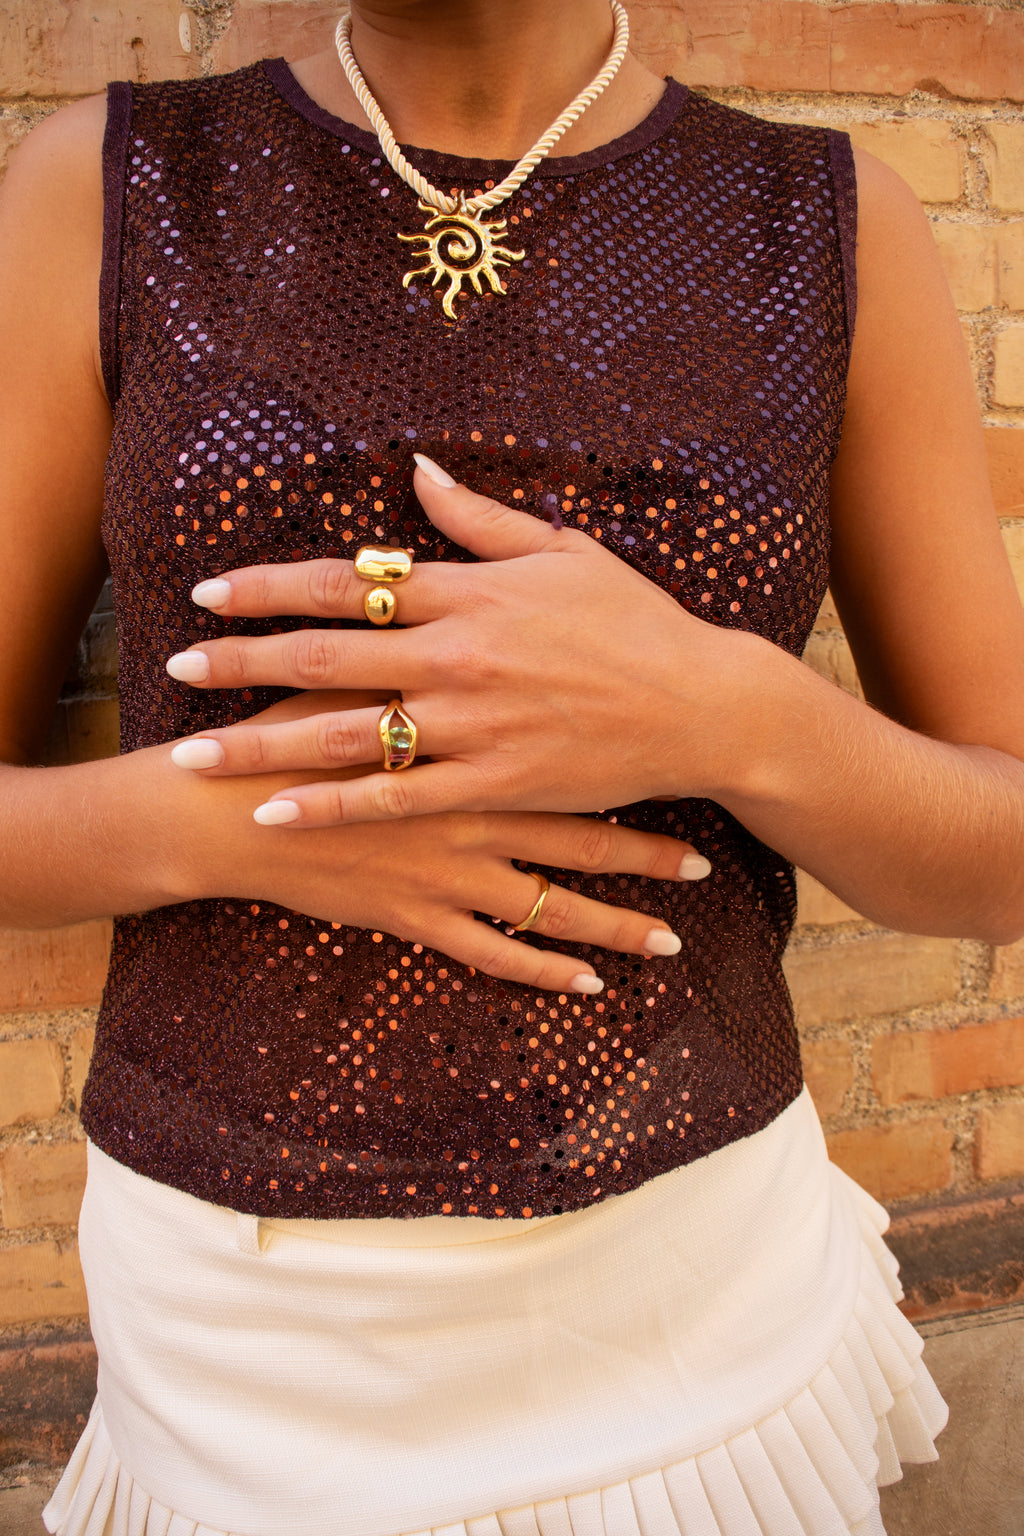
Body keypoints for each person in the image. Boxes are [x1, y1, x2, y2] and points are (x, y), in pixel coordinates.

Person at [2, 2, 1022, 1533]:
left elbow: (1004, 856)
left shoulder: (820, 222)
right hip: (244, 1343)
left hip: (701, 1294)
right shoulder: (118, 186)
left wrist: (732, 711)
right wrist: (244, 823)